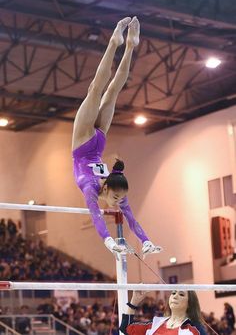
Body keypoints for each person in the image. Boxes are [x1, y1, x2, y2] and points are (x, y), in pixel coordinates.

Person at [72, 17, 161, 258]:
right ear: (110, 188)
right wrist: (143, 242)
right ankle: (126, 43)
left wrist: (114, 241)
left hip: (82, 143)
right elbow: (127, 218)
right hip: (96, 140)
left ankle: (122, 43)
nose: (119, 202)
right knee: (105, 90)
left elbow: (97, 215)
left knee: (101, 90)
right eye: (118, 197)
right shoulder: (110, 183)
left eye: (119, 198)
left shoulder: (90, 187)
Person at [119, 290, 207, 335]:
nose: (175, 296)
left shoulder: (195, 329)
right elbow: (126, 327)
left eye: (181, 294)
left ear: (190, 303)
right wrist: (134, 302)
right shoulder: (155, 325)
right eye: (173, 293)